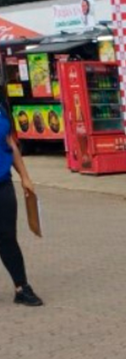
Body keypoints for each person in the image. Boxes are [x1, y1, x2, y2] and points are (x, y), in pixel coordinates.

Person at [0, 104, 42, 307]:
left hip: (3, 182)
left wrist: (25, 177)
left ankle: (21, 288)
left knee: (7, 236)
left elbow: (9, 143)